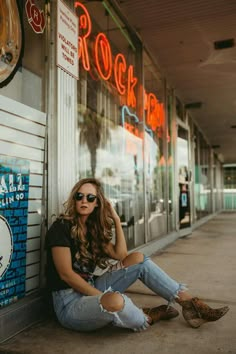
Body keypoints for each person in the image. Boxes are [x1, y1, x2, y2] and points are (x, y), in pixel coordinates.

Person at [45, 177, 229, 332]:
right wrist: (100, 297)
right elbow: (66, 275)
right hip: (69, 303)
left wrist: (116, 219)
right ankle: (144, 316)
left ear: (97, 203)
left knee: (138, 259)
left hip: (91, 287)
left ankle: (190, 305)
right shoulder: (61, 227)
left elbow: (121, 254)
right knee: (115, 301)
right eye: (80, 196)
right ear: (74, 199)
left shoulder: (92, 231)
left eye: (90, 197)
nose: (84, 201)